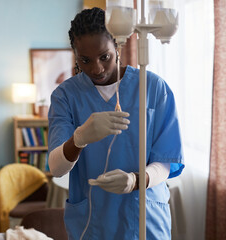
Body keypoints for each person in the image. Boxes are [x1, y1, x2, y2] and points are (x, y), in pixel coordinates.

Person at [48, 7, 185, 240]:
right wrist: (79, 139)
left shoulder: (153, 88)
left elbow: (165, 161)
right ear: (75, 54)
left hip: (145, 217)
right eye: (85, 60)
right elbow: (57, 167)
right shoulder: (65, 96)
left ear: (117, 45)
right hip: (92, 223)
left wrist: (135, 180)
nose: (96, 69)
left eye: (105, 57)